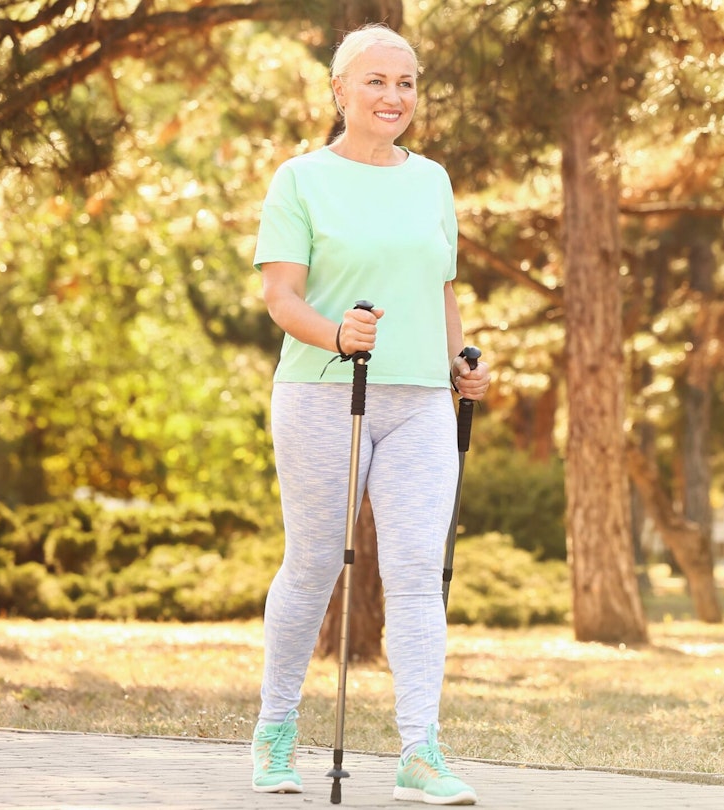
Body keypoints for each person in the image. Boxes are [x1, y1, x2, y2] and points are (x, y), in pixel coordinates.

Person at [249, 23, 488, 806]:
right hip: (324, 391)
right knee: (316, 561)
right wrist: (336, 332)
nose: (393, 97)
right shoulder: (300, 180)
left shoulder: (433, 181)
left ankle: (421, 750)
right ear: (340, 90)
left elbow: (441, 287)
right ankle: (276, 727)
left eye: (406, 83)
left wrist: (459, 358)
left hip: (420, 399)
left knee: (418, 570)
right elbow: (281, 295)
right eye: (376, 82)